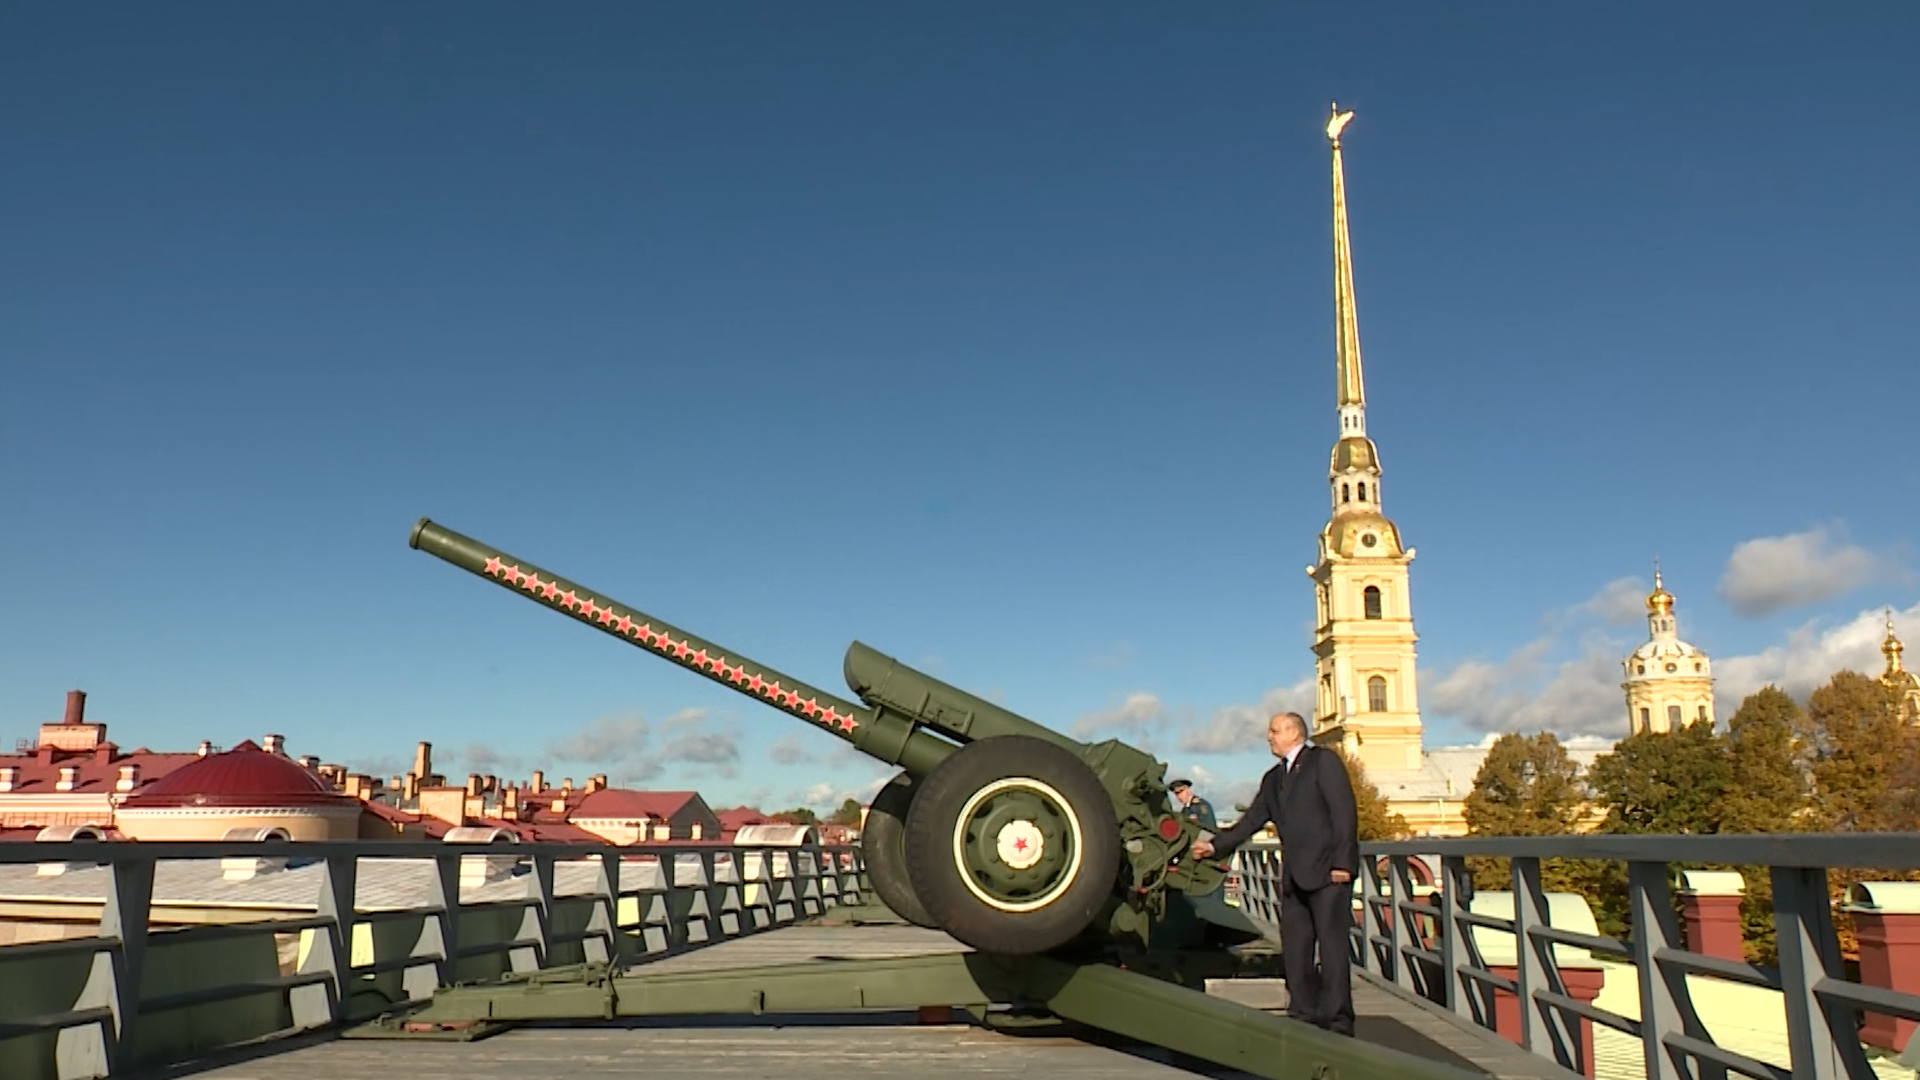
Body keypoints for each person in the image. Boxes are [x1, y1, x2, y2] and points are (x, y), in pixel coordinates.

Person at [1190, 711, 1360, 1037]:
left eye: (1274, 731)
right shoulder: (1273, 778)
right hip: (1295, 878)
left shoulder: (1323, 762)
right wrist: (1214, 847)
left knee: (1332, 950)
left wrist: (1344, 864)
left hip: (1328, 875)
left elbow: (1344, 813)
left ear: (1294, 732)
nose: (1269, 737)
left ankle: (1338, 1021)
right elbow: (1250, 821)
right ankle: (1303, 1016)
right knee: (1296, 949)